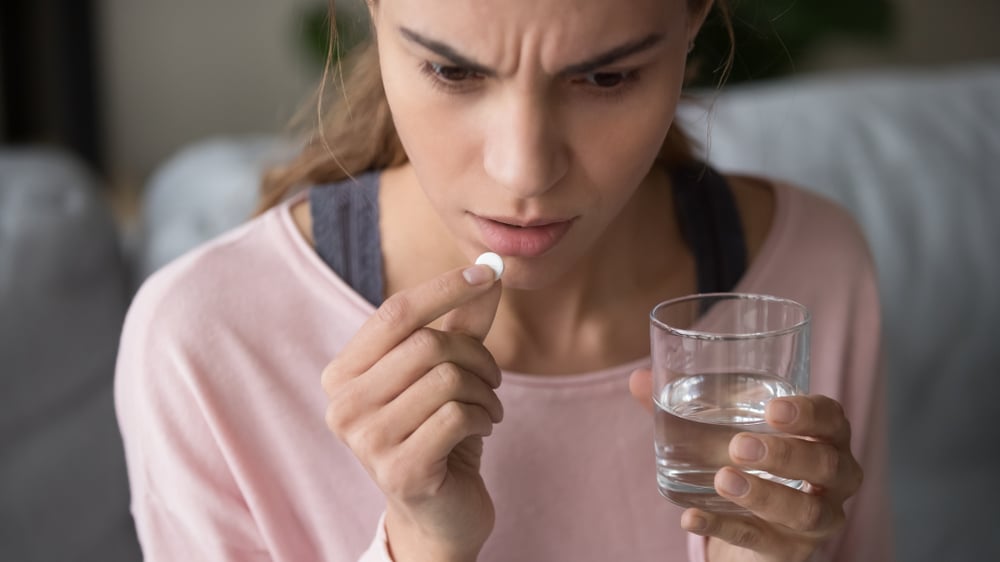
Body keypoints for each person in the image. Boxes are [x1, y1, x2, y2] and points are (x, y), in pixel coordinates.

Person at [115, 0, 893, 560]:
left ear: (694, 22)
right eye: (452, 69)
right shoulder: (204, 343)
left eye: (607, 77)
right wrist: (417, 547)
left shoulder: (812, 275)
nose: (523, 170)